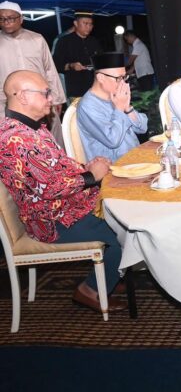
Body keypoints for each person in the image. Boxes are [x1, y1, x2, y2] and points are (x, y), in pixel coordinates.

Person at [0, 70, 125, 312]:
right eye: (45, 93)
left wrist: (86, 168)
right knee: (124, 234)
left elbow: (56, 167)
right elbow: (48, 188)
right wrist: (92, 176)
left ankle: (110, 274)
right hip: (52, 221)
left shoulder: (31, 128)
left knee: (122, 205)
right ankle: (89, 290)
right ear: (23, 96)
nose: (51, 98)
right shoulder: (14, 139)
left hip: (67, 206)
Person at [0, 0, 66, 146]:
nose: (6, 22)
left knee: (51, 139)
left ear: (21, 19)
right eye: (2, 19)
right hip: (8, 103)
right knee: (14, 142)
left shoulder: (37, 39)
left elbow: (49, 69)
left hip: (40, 99)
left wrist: (57, 98)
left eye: (10, 18)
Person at [77, 53, 147, 162]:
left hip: (135, 158)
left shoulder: (114, 95)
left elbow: (142, 128)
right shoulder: (88, 106)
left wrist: (127, 108)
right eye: (118, 78)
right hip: (113, 166)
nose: (123, 83)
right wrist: (119, 109)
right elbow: (113, 141)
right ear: (100, 78)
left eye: (124, 77)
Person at [53, 11, 103, 98]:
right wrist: (71, 65)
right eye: (85, 23)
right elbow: (56, 65)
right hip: (76, 92)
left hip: (95, 90)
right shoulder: (64, 41)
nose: (88, 27)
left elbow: (102, 60)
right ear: (76, 23)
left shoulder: (94, 41)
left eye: (91, 24)